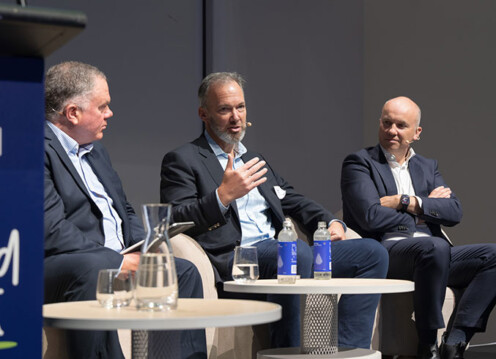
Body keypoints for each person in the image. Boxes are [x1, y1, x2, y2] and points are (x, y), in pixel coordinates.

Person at [159, 72, 389, 349]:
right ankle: (289, 352)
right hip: (240, 257)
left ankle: (347, 348)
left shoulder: (253, 158)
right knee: (295, 253)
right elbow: (175, 218)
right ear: (203, 114)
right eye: (224, 109)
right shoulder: (184, 159)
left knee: (372, 254)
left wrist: (329, 221)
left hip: (281, 249)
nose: (235, 117)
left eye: (240, 107)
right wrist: (223, 196)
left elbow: (289, 198)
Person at [43, 61, 206, 358]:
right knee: (96, 267)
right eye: (103, 106)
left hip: (111, 256)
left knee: (184, 272)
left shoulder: (96, 150)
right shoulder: (37, 150)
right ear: (73, 113)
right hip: (61, 265)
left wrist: (147, 245)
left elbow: (124, 211)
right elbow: (51, 230)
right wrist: (116, 260)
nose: (110, 113)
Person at [340, 96, 496, 359]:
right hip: (388, 253)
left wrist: (405, 201)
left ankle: (455, 341)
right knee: (434, 246)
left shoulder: (427, 166)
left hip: (434, 255)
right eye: (386, 123)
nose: (391, 131)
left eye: (400, 125)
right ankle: (428, 344)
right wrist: (424, 212)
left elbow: (454, 211)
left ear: (416, 133)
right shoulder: (360, 163)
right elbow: (370, 216)